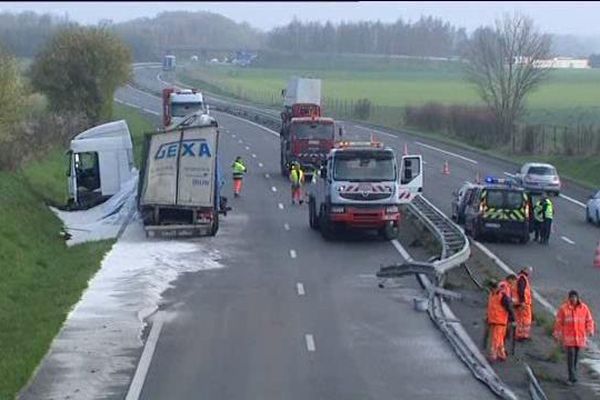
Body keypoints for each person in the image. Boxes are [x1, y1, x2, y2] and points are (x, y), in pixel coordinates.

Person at [553, 290, 595, 385]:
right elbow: (558, 323)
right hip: (569, 339)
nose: (573, 299)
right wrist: (556, 334)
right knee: (570, 357)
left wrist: (590, 330)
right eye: (571, 297)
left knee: (576, 358)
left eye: (574, 297)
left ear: (577, 298)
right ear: (569, 298)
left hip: (580, 339)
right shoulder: (564, 309)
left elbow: (589, 320)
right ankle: (572, 377)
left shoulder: (584, 308)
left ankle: (573, 375)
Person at [486, 280, 516, 362]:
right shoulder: (492, 295)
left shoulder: (502, 297)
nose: (491, 290)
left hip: (500, 322)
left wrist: (513, 320)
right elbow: (491, 308)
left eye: (492, 288)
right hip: (494, 321)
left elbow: (509, 309)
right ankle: (501, 355)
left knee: (496, 339)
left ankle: (493, 356)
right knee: (499, 340)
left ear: (495, 288)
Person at [514, 267, 534, 341]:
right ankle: (522, 335)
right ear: (526, 270)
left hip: (519, 303)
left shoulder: (519, 277)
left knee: (520, 319)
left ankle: (520, 334)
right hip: (523, 303)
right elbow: (521, 290)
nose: (530, 274)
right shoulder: (522, 279)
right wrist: (522, 301)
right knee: (525, 320)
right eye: (530, 272)